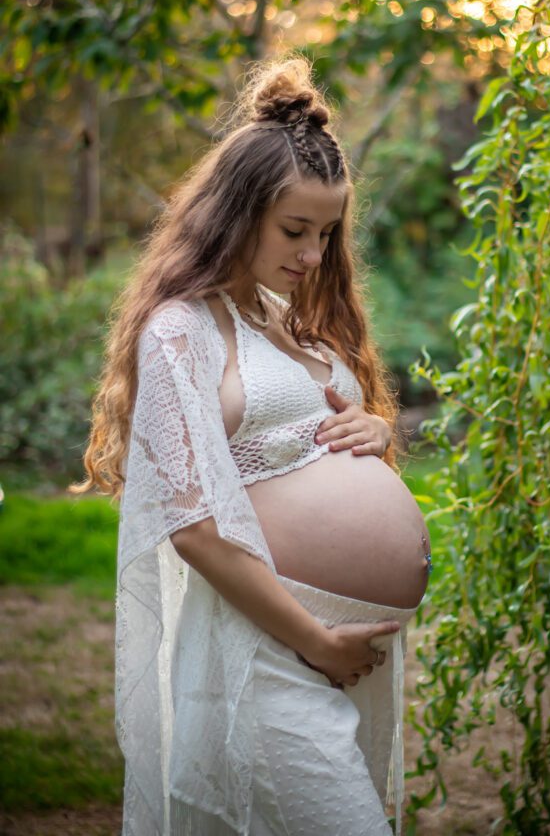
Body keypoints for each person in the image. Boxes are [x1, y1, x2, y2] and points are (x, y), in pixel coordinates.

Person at [75, 58, 432, 836]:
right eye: (293, 230)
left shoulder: (289, 323)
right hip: (271, 647)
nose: (311, 255)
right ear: (236, 214)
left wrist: (374, 433)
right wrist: (316, 643)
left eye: (326, 234)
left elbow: (315, 448)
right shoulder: (182, 331)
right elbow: (193, 525)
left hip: (340, 652)